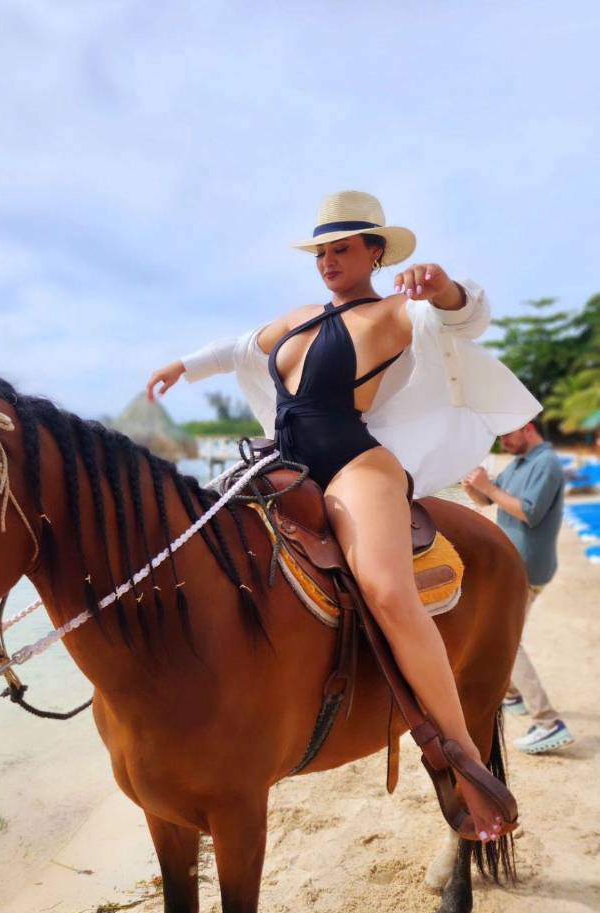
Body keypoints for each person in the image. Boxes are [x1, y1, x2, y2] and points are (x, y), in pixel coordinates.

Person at [146, 190, 542, 843]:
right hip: (283, 461)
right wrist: (183, 367)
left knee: (388, 591)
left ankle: (463, 759)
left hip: (356, 464)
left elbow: (464, 318)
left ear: (374, 252)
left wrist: (444, 286)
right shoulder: (297, 319)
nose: (328, 260)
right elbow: (238, 347)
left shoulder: (395, 311)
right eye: (321, 251)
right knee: (188, 537)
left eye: (342, 249)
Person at [462, 421, 574, 754]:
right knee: (505, 635)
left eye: (507, 436)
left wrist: (490, 489)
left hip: (526, 570)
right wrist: (474, 486)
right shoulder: (523, 462)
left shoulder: (547, 463)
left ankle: (547, 722)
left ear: (527, 428)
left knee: (505, 640)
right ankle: (512, 695)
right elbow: (488, 500)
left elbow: (528, 512)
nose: (504, 443)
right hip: (512, 567)